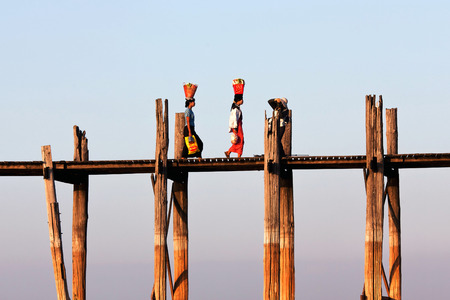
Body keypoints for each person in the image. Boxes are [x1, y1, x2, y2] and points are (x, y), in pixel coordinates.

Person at [225, 78, 245, 158]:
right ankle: (238, 155)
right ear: (239, 100)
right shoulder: (235, 109)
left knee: (239, 140)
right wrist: (235, 129)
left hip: (238, 126)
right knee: (240, 140)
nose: (242, 101)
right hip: (237, 126)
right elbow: (233, 119)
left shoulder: (237, 108)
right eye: (242, 99)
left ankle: (229, 152)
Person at [182, 83, 203, 159]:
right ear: (190, 102)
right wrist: (189, 132)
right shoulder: (187, 111)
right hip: (188, 128)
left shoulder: (191, 111)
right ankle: (184, 157)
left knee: (197, 143)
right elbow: (187, 121)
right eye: (193, 101)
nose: (194, 103)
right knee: (189, 143)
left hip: (190, 128)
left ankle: (197, 156)